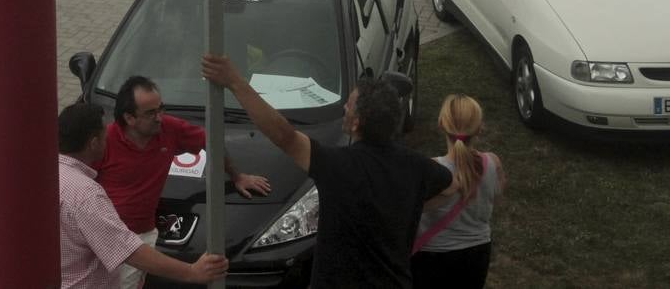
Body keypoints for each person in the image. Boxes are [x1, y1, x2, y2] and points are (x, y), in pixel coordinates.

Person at [201, 56, 456, 288]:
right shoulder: (416, 166)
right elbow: (452, 187)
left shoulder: (336, 165)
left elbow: (282, 135)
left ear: (357, 122)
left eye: (349, 104)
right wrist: (408, 206)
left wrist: (234, 82)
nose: (345, 107)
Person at [97, 76, 270, 289]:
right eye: (151, 113)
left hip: (140, 235)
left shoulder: (170, 129)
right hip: (104, 236)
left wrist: (237, 177)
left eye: (161, 108)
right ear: (129, 118)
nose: (160, 117)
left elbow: (211, 141)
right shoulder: (103, 142)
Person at [56, 103, 229, 289]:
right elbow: (127, 250)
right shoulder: (86, 194)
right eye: (103, 135)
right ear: (93, 143)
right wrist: (192, 272)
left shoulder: (43, 176)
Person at [412, 95, 505, 289]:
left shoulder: (429, 169)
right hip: (478, 253)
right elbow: (496, 201)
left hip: (432, 256)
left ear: (441, 125)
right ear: (479, 129)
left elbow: (409, 211)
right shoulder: (493, 163)